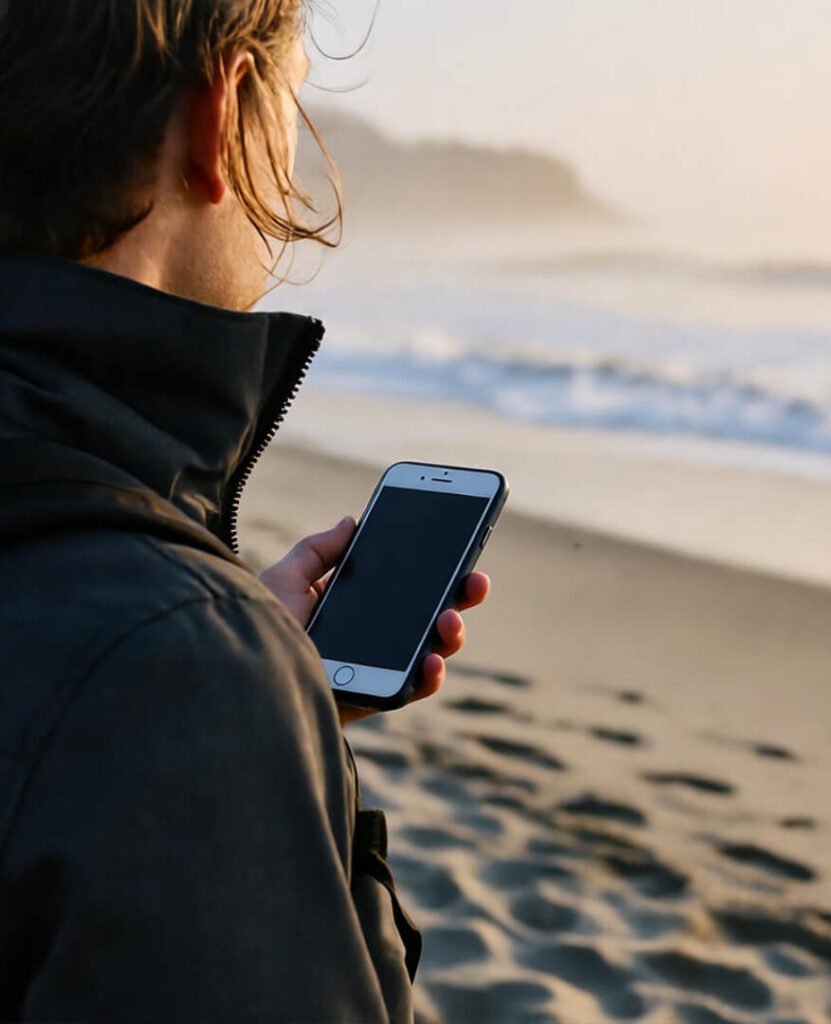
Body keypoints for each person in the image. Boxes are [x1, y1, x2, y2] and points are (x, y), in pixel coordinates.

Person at [0, 2, 491, 1020]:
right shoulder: (184, 675)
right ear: (220, 115)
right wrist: (247, 706)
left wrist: (279, 701)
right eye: (292, 112)